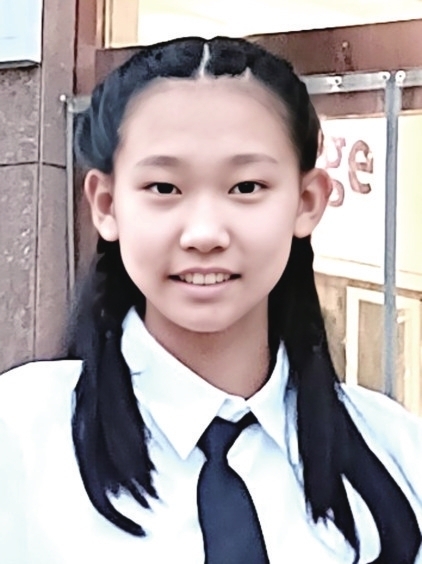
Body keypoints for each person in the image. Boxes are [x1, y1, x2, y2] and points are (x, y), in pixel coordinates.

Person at [0, 36, 421, 564]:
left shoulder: (396, 450)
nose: (204, 233)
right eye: (164, 188)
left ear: (307, 201)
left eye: (246, 187)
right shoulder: (19, 436)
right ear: (106, 204)